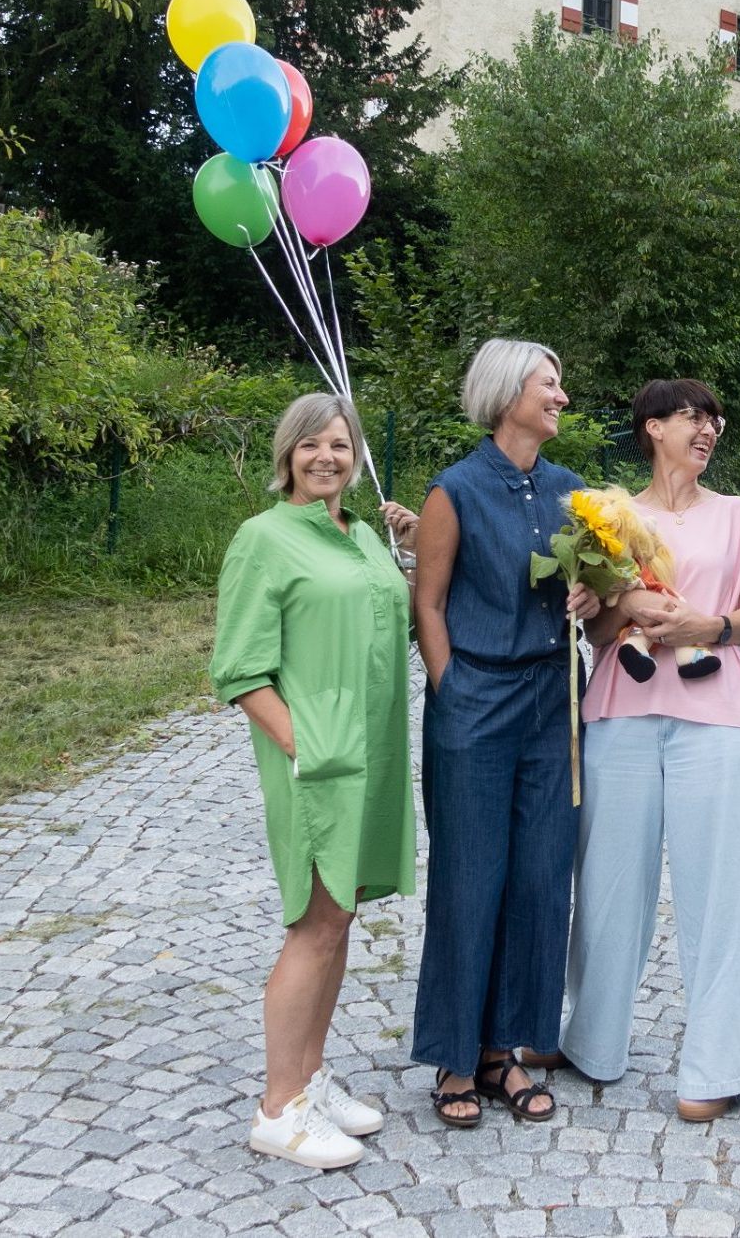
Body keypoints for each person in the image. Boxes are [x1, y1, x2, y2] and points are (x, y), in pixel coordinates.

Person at [535, 380, 740, 1121]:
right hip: (623, 713)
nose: (707, 429)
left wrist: (708, 627)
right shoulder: (610, 517)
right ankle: (592, 1040)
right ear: (652, 428)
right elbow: (601, 634)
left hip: (722, 718)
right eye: (691, 417)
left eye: (713, 418)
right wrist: (615, 605)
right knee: (608, 884)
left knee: (721, 892)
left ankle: (720, 1065)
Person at [209, 392, 420, 1170]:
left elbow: (386, 622)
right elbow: (238, 667)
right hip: (319, 758)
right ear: (287, 454)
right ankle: (278, 1105)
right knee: (314, 918)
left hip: (373, 751)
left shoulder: (360, 532)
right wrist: (303, 745)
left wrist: (407, 552)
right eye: (311, 445)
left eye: (339, 444)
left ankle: (309, 1074)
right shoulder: (263, 539)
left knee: (342, 918)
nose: (326, 457)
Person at [409, 340, 600, 1126]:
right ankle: (456, 1057)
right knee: (470, 875)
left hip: (556, 700)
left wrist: (593, 599)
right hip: (477, 701)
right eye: (548, 381)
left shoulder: (573, 493)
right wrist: (453, 686)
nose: (561, 393)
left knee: (539, 879)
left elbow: (606, 597)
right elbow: (428, 602)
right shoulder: (451, 491)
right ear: (505, 392)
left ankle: (507, 1053)